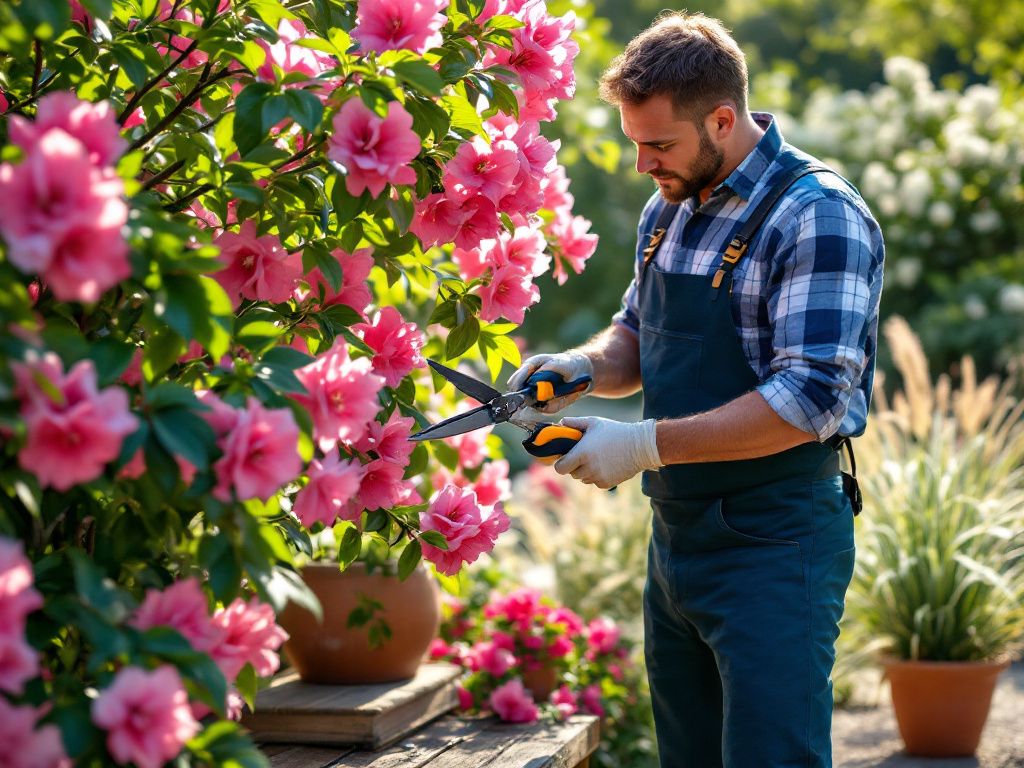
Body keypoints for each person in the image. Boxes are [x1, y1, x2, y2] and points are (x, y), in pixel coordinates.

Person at [508, 12, 884, 768]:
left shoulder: (818, 216)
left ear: (722, 118)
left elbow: (809, 399)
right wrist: (575, 371)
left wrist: (641, 444)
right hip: (676, 540)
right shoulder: (668, 207)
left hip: (775, 543)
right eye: (635, 143)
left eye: (659, 144)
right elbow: (635, 339)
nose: (643, 164)